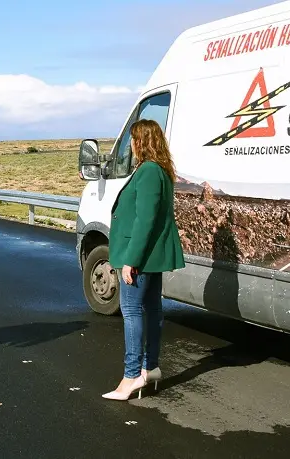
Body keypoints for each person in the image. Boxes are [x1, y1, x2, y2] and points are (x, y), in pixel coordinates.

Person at [102, 119, 185, 401]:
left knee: (132, 310)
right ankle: (150, 368)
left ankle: (131, 375)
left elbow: (145, 220)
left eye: (135, 140)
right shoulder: (160, 170)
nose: (133, 146)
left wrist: (131, 259)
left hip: (139, 257)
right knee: (151, 309)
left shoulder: (149, 171)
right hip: (151, 256)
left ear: (142, 142)